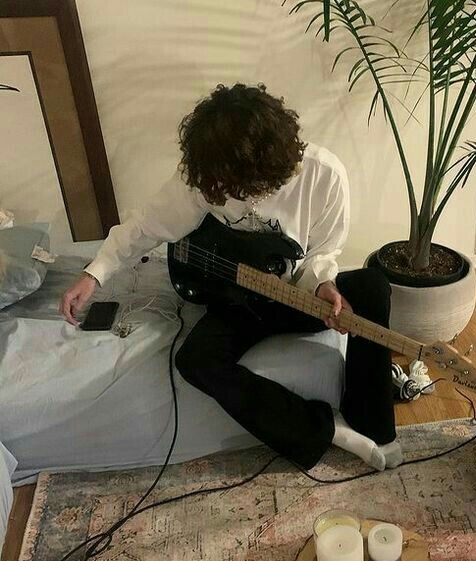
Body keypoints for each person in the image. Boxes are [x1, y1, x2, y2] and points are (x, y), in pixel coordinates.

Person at [59, 83, 402, 472]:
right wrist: (94, 273)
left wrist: (323, 285)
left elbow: (324, 251)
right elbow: (144, 227)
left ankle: (373, 423)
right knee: (194, 360)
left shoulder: (325, 176)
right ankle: (326, 429)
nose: (236, 195)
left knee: (373, 286)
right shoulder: (207, 175)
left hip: (294, 292)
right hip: (239, 299)